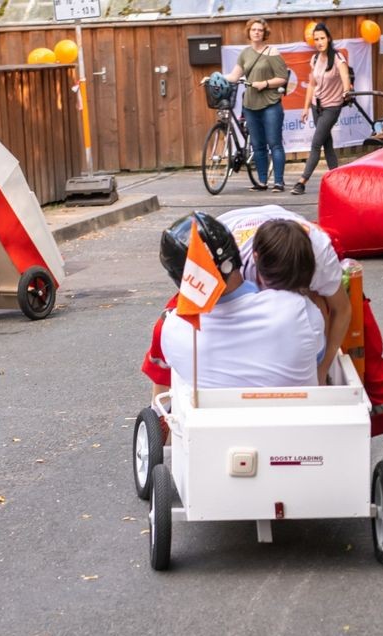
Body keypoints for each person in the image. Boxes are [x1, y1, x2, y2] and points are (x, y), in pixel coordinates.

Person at [220, 205, 383, 532]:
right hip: (243, 253)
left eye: (295, 291)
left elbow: (341, 311)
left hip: (303, 262)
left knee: (367, 369)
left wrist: (324, 366)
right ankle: (168, 429)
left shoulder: (319, 254)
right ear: (255, 261)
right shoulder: (224, 258)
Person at [147, 212, 323, 391]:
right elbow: (317, 357)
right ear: (235, 252)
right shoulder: (298, 309)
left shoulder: (172, 327)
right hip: (295, 416)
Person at [223, 18, 289, 192]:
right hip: (250, 104)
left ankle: (279, 182)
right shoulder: (245, 53)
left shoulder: (272, 52)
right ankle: (261, 182)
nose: (257, 32)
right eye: (254, 30)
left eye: (260, 30)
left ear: (264, 33)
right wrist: (214, 78)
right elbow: (234, 76)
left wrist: (265, 84)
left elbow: (283, 77)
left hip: (270, 104)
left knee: (274, 143)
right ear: (249, 32)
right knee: (258, 145)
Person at [291, 23, 353, 196]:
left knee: (316, 143)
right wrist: (305, 108)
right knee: (327, 144)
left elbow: (345, 79)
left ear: (329, 39)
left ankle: (301, 182)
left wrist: (347, 91)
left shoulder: (338, 59)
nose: (319, 42)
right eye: (316, 39)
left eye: (322, 38)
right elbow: (311, 84)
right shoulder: (315, 59)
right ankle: (338, 180)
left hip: (332, 107)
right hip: (315, 106)